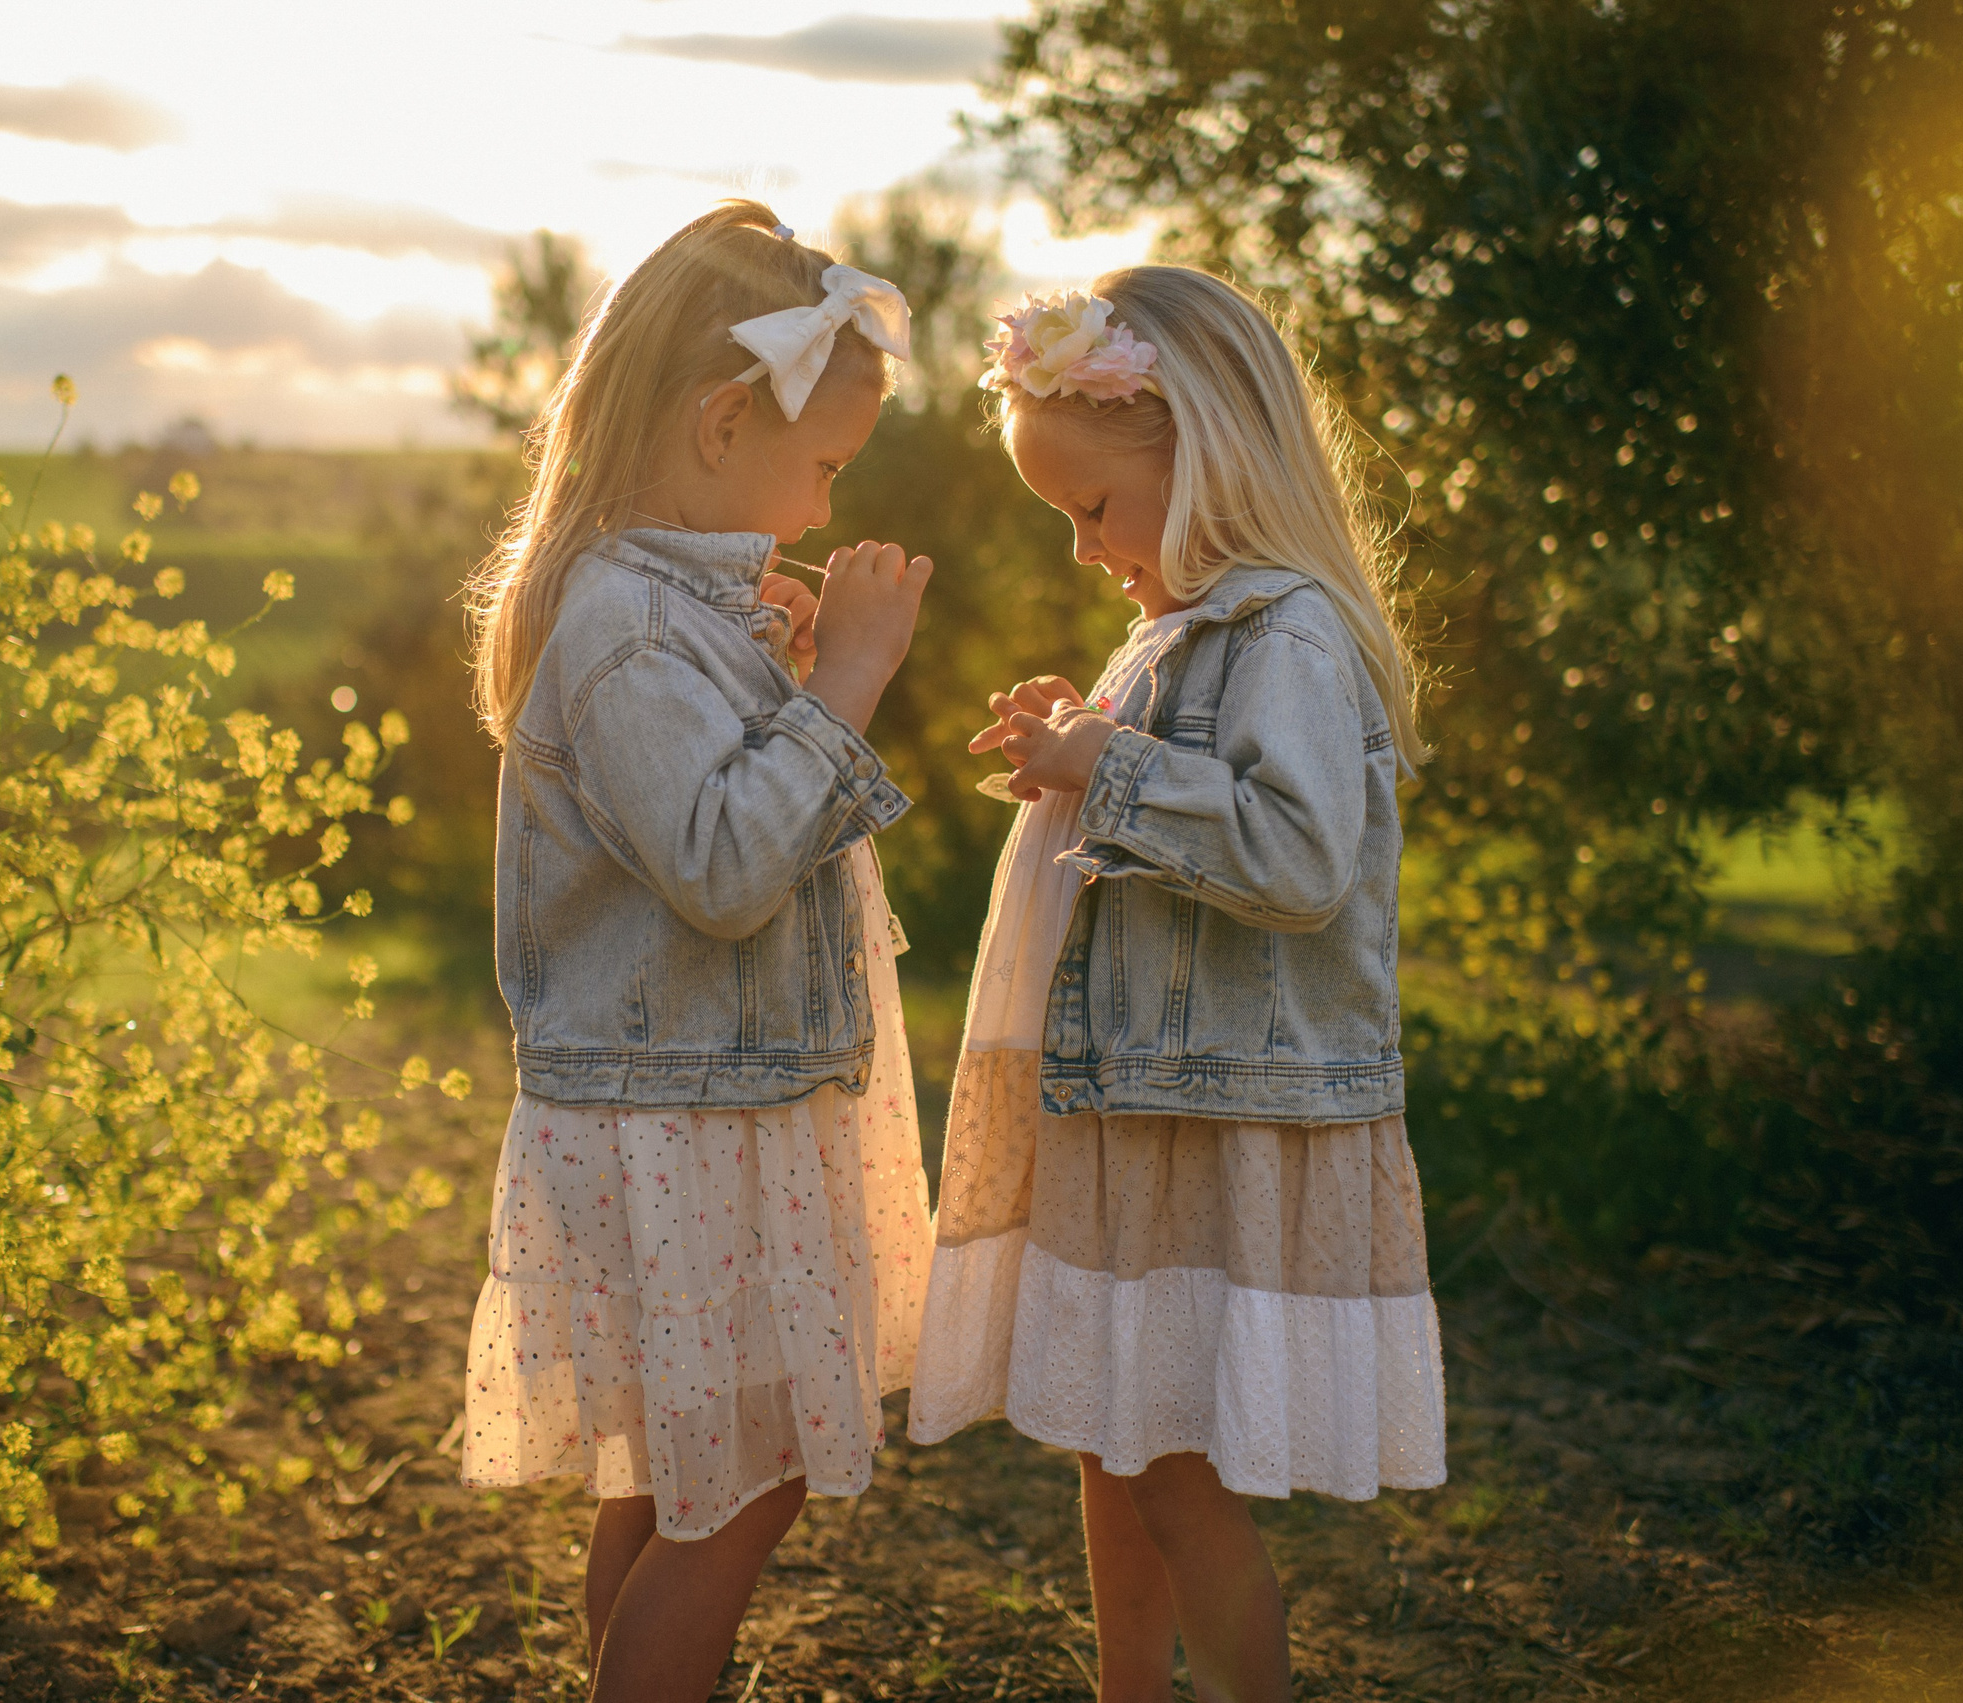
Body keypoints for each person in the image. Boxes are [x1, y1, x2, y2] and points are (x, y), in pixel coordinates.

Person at [908, 271, 1446, 1703]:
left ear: (1203, 452)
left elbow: (1298, 856)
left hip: (1211, 1120)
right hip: (1133, 1105)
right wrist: (1077, 746)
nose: (1084, 551)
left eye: (1091, 509)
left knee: (1179, 1474)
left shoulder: (1287, 636)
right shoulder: (1180, 628)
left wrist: (1113, 765)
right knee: (1114, 1438)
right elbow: (1158, 820)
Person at [459, 202, 937, 1703]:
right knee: (741, 1483)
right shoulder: (625, 629)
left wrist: (778, 672)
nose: (816, 507)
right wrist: (846, 679)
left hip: (702, 1106)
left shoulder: (665, 612)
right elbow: (728, 869)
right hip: (687, 1121)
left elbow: (706, 813)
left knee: (678, 1484)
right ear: (724, 421)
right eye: (821, 468)